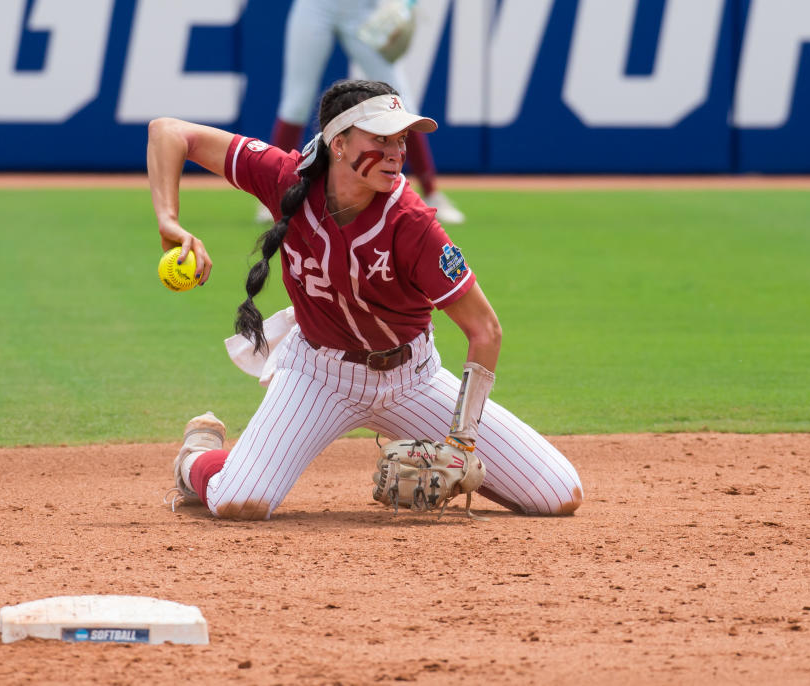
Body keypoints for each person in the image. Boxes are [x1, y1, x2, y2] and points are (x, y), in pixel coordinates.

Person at [147, 79, 583, 521]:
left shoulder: (411, 224)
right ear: (338, 144)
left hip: (413, 380)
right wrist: (169, 221)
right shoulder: (285, 178)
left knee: (558, 493)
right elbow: (169, 132)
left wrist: (461, 445)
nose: (396, 152)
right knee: (240, 501)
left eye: (401, 139)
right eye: (380, 138)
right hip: (317, 374)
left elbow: (484, 329)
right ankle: (197, 458)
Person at [257, 0, 465, 225]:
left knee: (401, 103)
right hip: (315, 6)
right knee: (296, 103)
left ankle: (431, 192)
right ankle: (273, 196)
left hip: (363, 10)